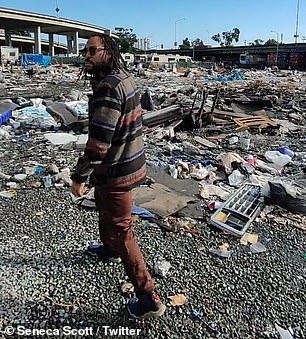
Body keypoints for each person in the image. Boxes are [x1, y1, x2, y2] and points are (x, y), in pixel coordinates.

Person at [71, 33, 166, 319]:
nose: (86, 56)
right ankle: (109, 248)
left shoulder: (109, 88)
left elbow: (99, 143)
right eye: (84, 51)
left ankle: (148, 297)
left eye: (91, 51)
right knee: (104, 207)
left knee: (122, 229)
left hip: (116, 169)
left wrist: (79, 176)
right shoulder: (122, 77)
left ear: (108, 52)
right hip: (127, 162)